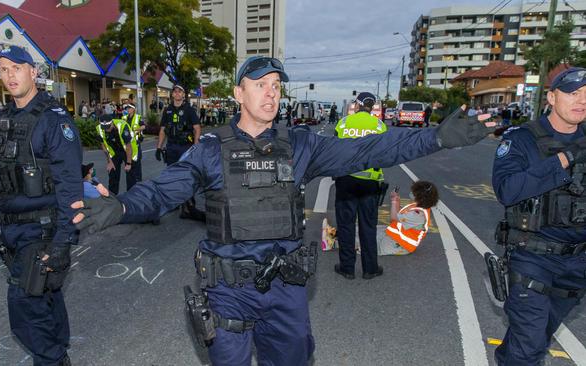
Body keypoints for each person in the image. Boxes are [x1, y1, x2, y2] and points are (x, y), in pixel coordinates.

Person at [71, 55, 494, 366]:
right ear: (239, 93)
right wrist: (123, 204)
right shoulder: (210, 150)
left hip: (286, 290)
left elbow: (370, 148)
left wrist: (436, 138)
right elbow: (165, 191)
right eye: (260, 84)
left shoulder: (303, 146)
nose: (271, 92)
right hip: (228, 293)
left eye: (276, 85)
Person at [0, 45, 81, 366]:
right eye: (3, 69)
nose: (10, 75)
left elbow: (70, 187)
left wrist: (64, 241)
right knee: (46, 297)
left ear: (33, 71)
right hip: (11, 229)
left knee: (24, 305)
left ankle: (52, 359)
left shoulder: (55, 121)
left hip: (43, 230)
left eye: (17, 67)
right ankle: (59, 353)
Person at [491, 67, 586, 365]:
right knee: (529, 348)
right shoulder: (521, 139)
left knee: (535, 338)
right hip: (533, 258)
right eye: (573, 93)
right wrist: (565, 158)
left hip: (577, 263)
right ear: (551, 96)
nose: (581, 100)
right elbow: (507, 190)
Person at [332, 92, 388, 280]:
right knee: (368, 225)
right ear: (372, 107)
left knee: (346, 225)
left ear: (356, 105)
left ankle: (347, 268)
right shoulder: (380, 126)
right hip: (370, 183)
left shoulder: (344, 123)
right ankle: (370, 269)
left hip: (346, 180)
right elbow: (386, 153)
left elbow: (334, 149)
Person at [156, 84, 204, 221]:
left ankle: (188, 205)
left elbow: (197, 128)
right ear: (172, 95)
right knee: (171, 175)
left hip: (185, 147)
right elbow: (163, 130)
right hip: (171, 147)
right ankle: (175, 202)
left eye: (180, 92)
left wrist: (195, 146)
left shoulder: (189, 110)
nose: (177, 94)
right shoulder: (167, 110)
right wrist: (159, 147)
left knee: (186, 176)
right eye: (175, 92)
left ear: (183, 95)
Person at [378, 181, 438, 256]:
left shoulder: (418, 215)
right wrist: (397, 201)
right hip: (395, 234)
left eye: (414, 192)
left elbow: (394, 217)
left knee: (367, 244)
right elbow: (400, 215)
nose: (411, 192)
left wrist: (394, 201)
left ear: (419, 197)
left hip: (401, 244)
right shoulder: (418, 206)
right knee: (366, 231)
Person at [96, 113, 136, 194]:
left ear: (112, 123)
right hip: (115, 152)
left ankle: (132, 196)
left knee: (130, 174)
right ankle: (113, 197)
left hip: (127, 151)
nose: (106, 130)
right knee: (112, 172)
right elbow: (104, 146)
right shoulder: (100, 129)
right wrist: (109, 162)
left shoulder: (122, 126)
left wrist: (128, 163)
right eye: (104, 128)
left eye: (108, 127)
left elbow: (128, 146)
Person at [123, 103, 144, 184]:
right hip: (127, 143)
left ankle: (138, 182)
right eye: (127, 108)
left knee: (137, 163)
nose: (128, 109)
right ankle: (130, 183)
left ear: (133, 109)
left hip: (136, 142)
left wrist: (136, 130)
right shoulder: (124, 118)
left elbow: (143, 126)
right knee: (128, 161)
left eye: (129, 108)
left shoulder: (138, 117)